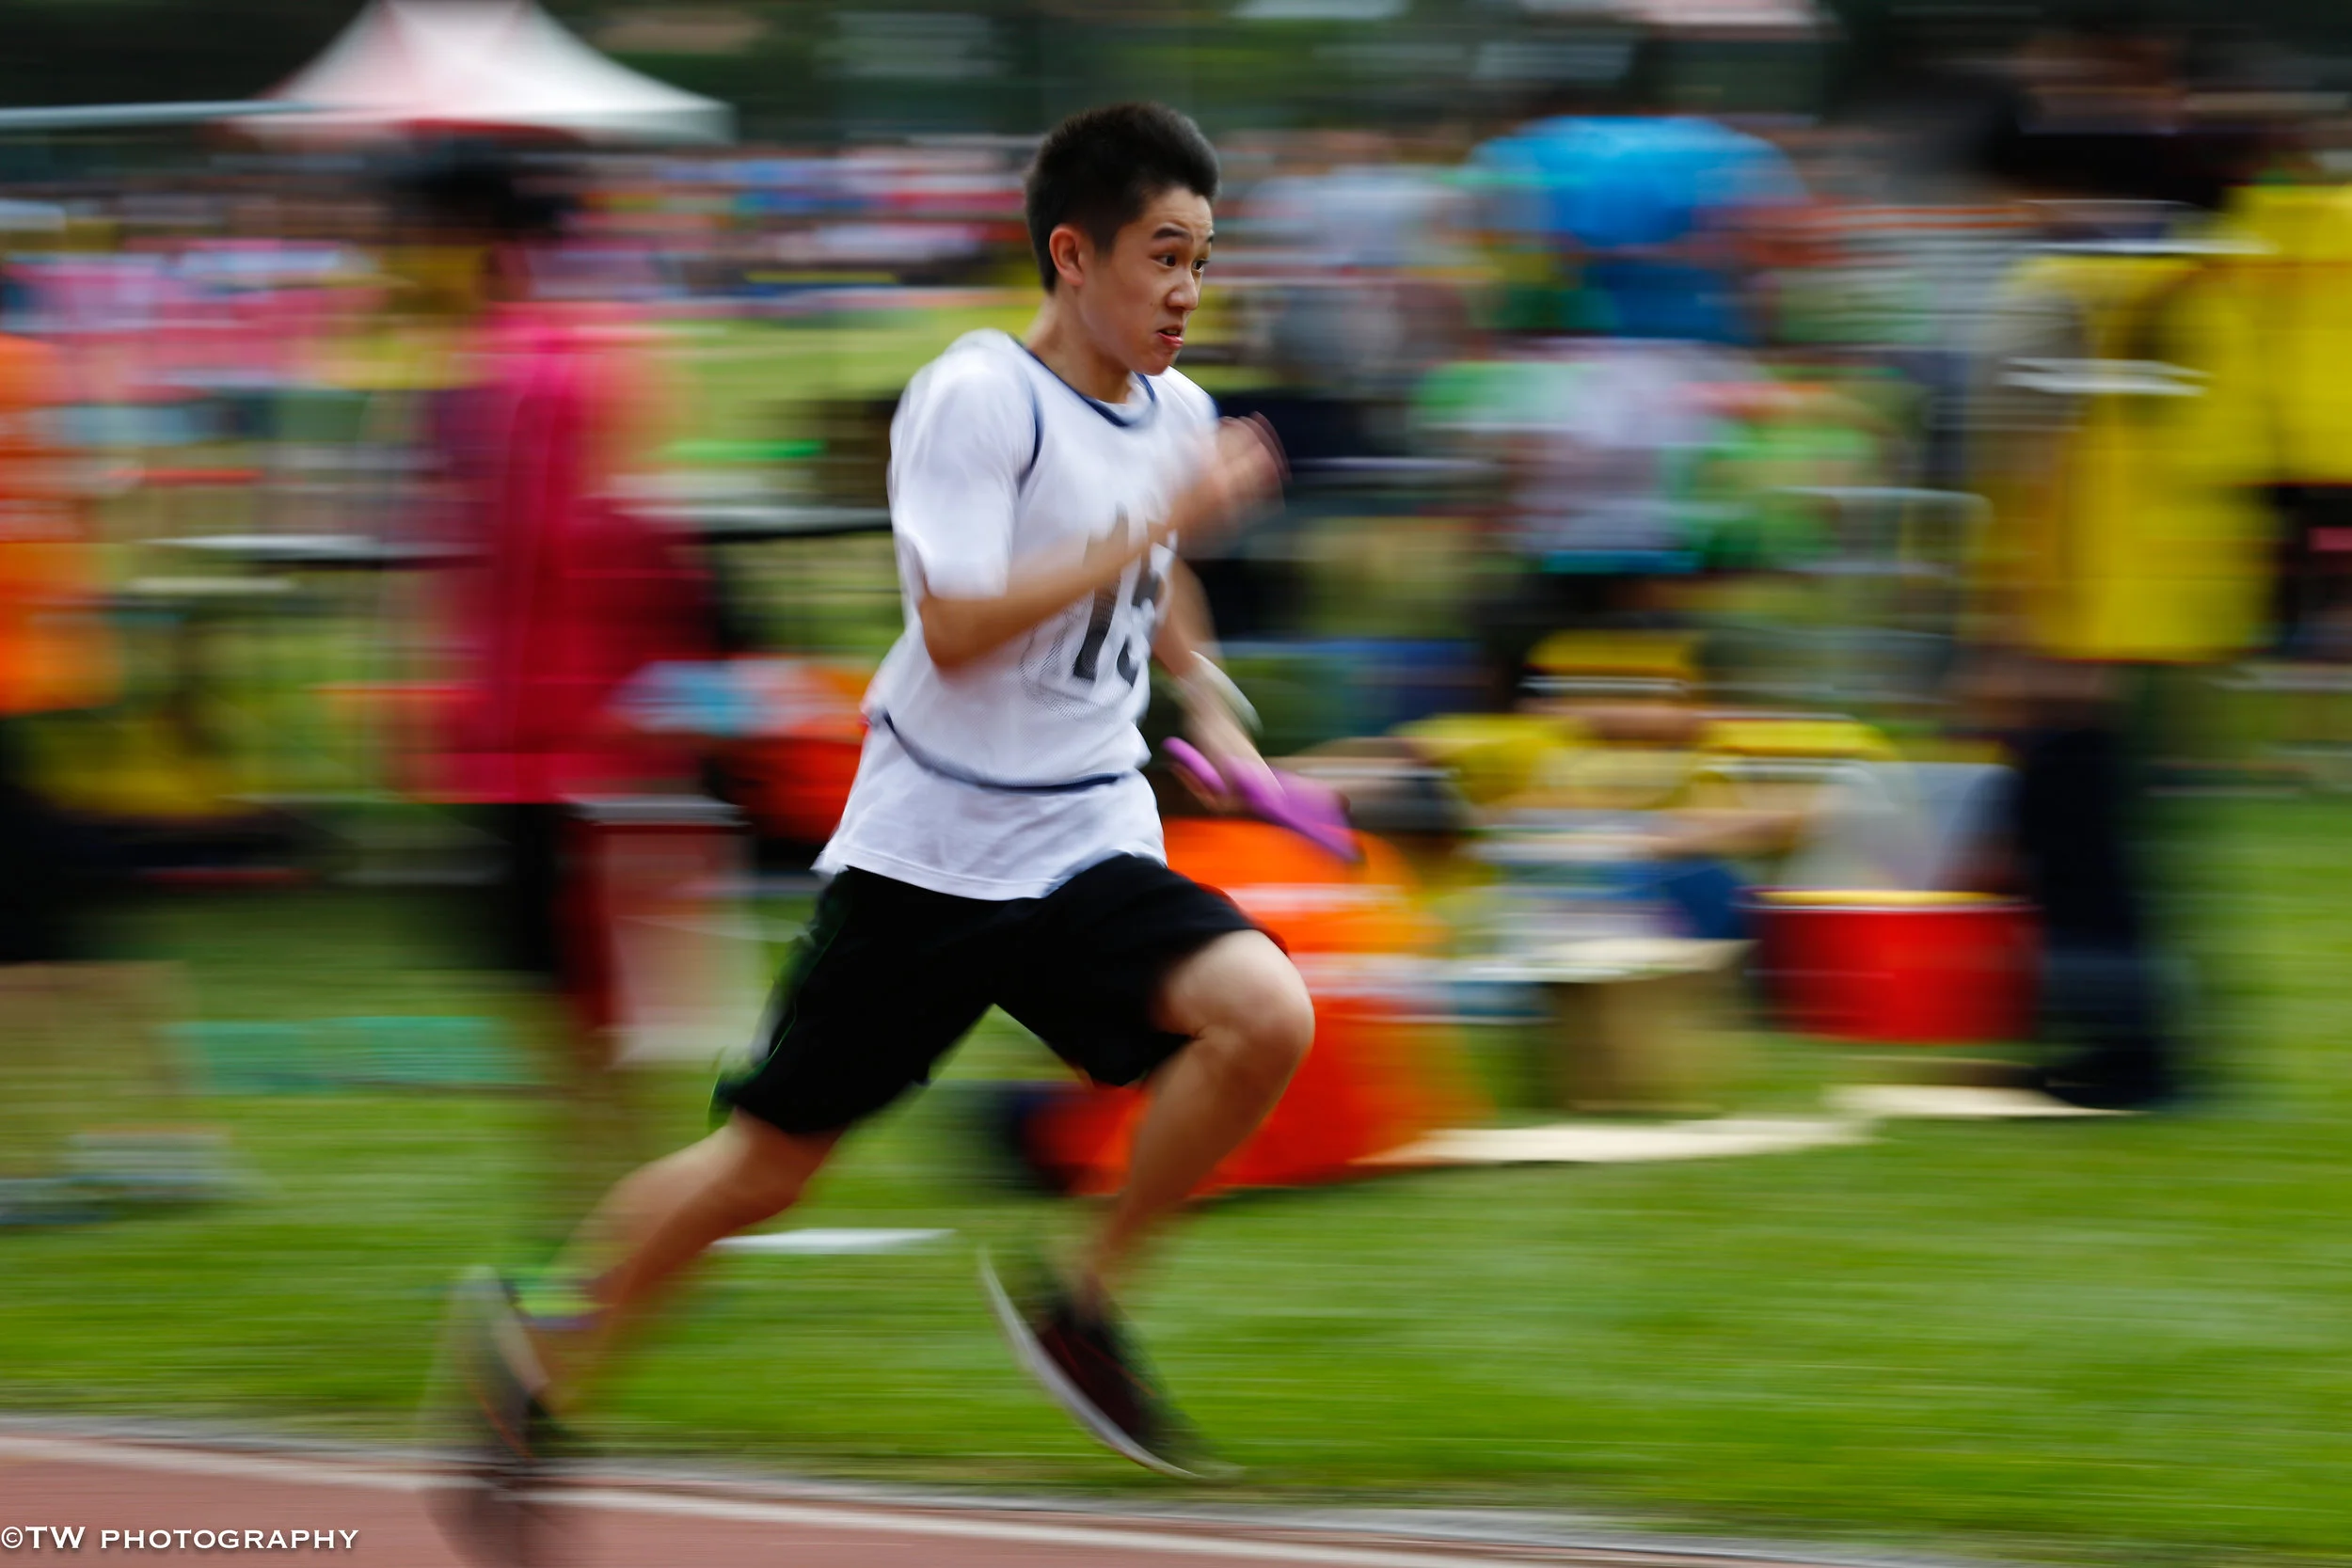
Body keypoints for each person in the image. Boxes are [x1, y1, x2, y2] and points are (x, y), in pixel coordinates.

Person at [434, 103, 1312, 1554]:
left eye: (1203, 263)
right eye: (1164, 256)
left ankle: (1085, 1302)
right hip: (933, 857)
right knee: (763, 1170)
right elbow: (956, 625)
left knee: (1265, 1012)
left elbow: (1159, 578)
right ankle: (530, 1356)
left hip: (1087, 837)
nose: (1186, 292)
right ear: (1072, 253)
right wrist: (1163, 515)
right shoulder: (975, 398)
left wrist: (1209, 697)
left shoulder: (1176, 414)